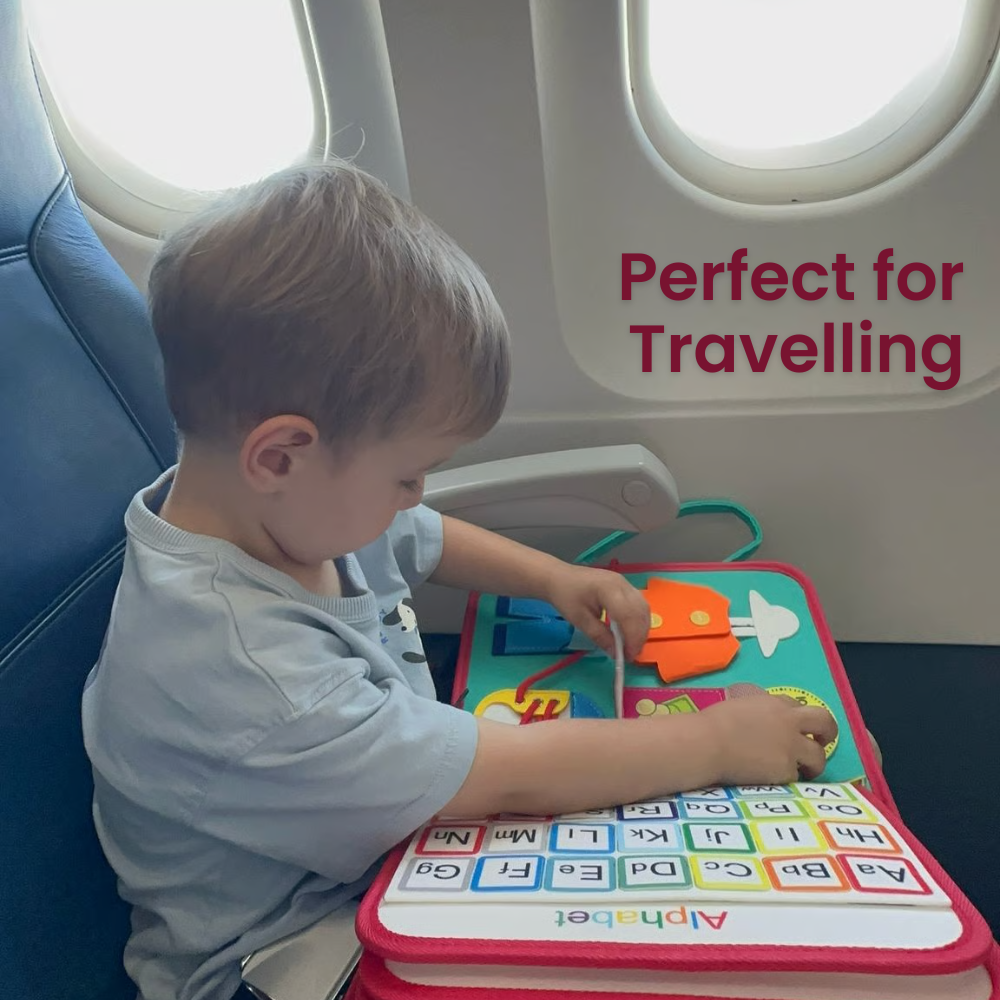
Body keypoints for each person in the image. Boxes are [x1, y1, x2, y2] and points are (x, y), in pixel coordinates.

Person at [82, 161, 837, 1000]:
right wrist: (713, 744)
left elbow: (418, 536)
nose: (417, 497)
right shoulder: (237, 664)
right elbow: (501, 776)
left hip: (368, 880)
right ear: (282, 454)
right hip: (283, 958)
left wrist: (552, 579)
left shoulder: (287, 513)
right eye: (410, 473)